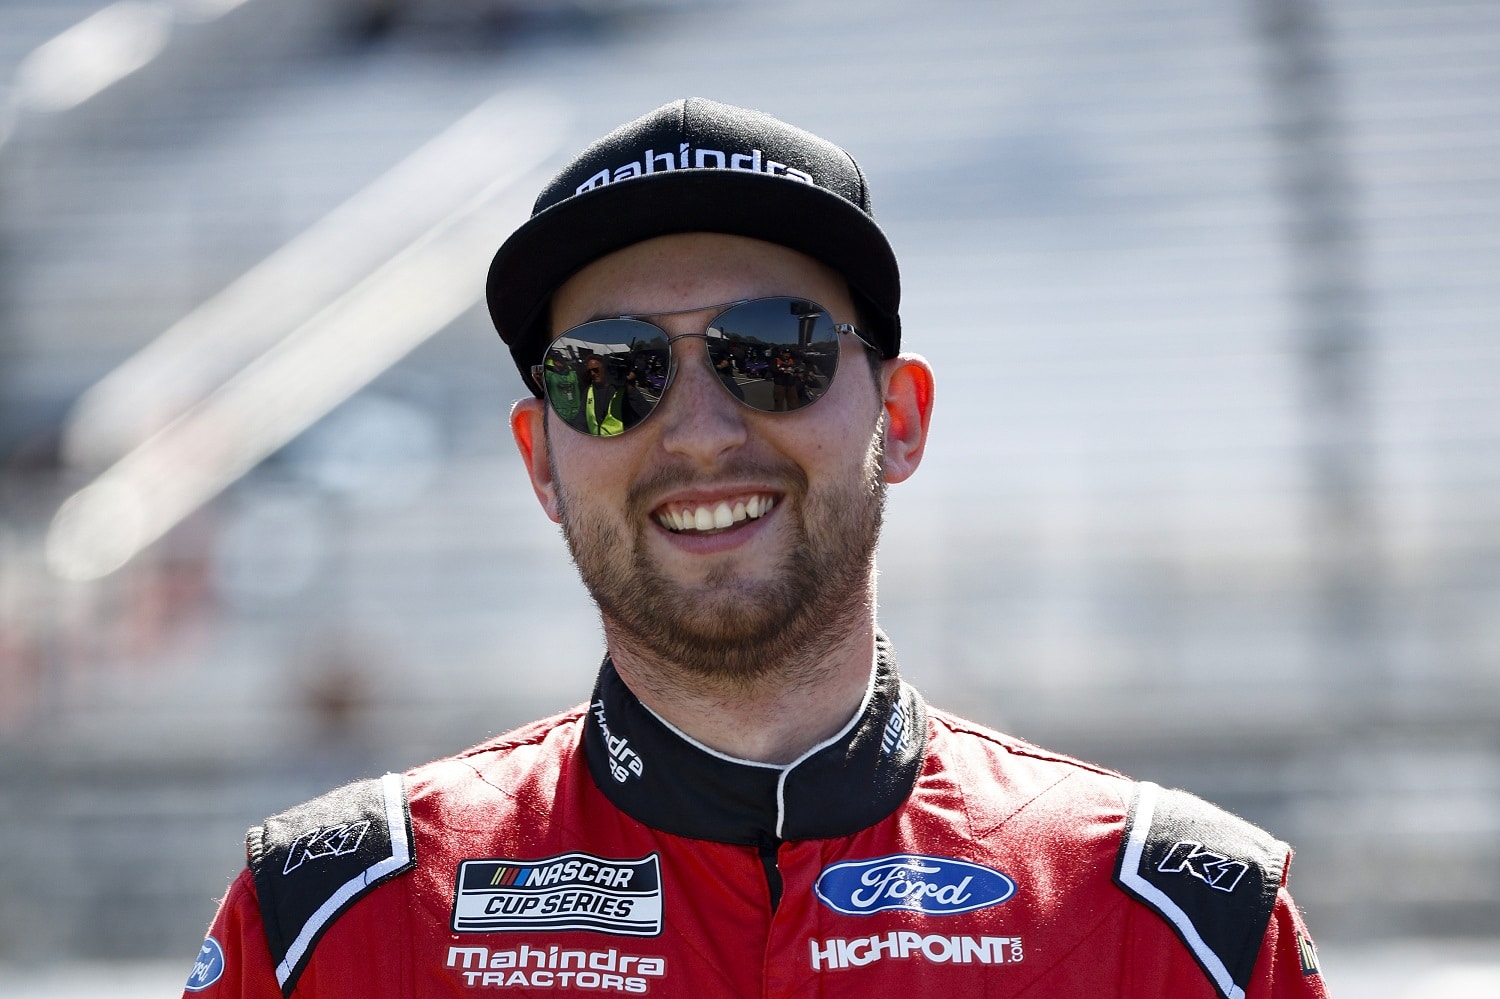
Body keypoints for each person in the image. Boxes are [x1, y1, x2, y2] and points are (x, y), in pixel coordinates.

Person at [182, 98, 1330, 998]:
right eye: (612, 372)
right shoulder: (330, 919)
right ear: (541, 460)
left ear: (904, 417)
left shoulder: (1184, 926)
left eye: (770, 349)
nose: (698, 430)